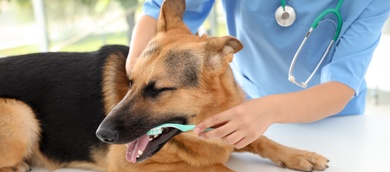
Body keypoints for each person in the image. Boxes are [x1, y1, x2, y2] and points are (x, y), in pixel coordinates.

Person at [126, 0, 390, 149]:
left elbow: (339, 87)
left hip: (336, 123)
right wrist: (137, 66)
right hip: (248, 108)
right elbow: (166, 10)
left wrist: (269, 110)